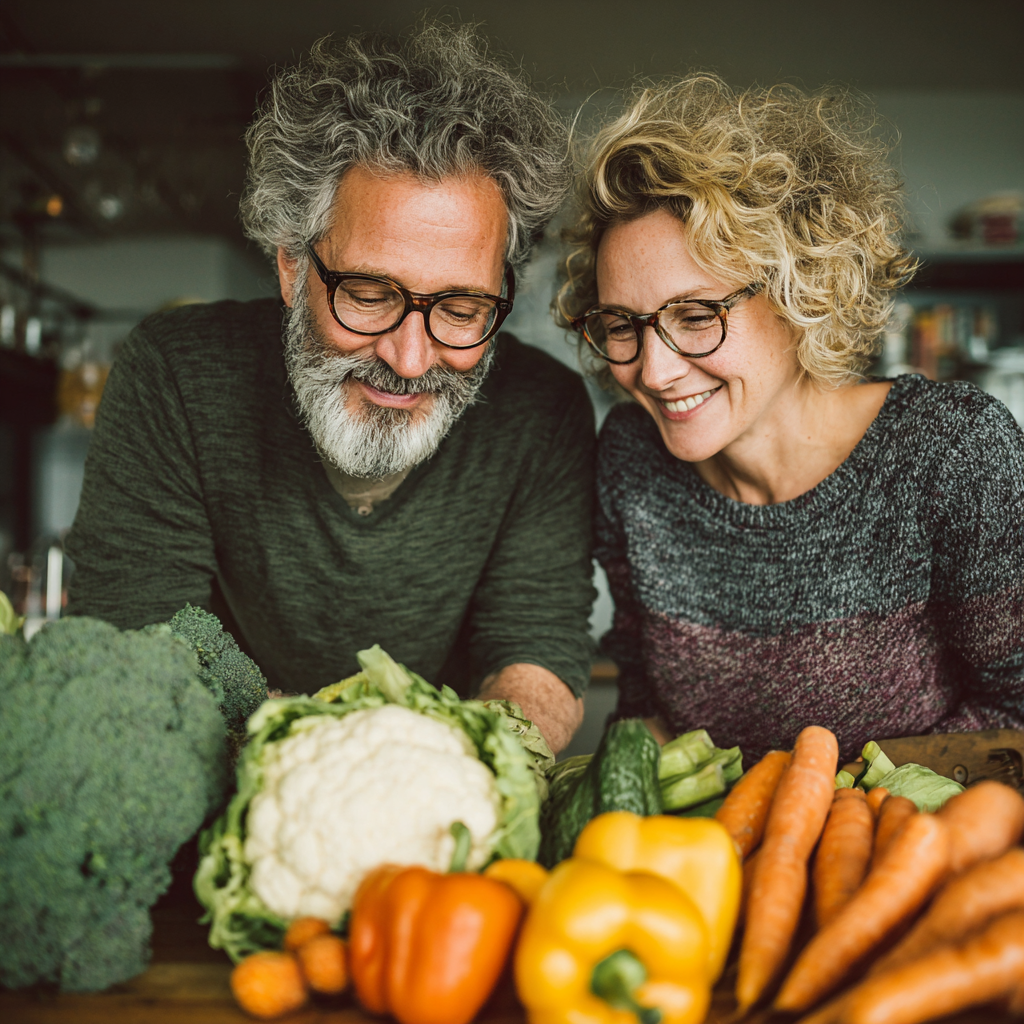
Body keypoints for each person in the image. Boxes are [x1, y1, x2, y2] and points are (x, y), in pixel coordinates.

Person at [66, 25, 596, 754]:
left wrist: (448, 774)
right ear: (291, 265)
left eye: (461, 309)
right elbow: (135, 635)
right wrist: (327, 760)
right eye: (370, 294)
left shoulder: (544, 412)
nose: (411, 360)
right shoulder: (175, 373)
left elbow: (536, 648)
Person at [559, 76, 1024, 762]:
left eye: (696, 316)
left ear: (800, 291)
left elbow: (1013, 714)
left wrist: (808, 813)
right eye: (621, 324)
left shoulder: (950, 450)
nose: (652, 373)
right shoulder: (632, 456)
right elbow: (643, 704)